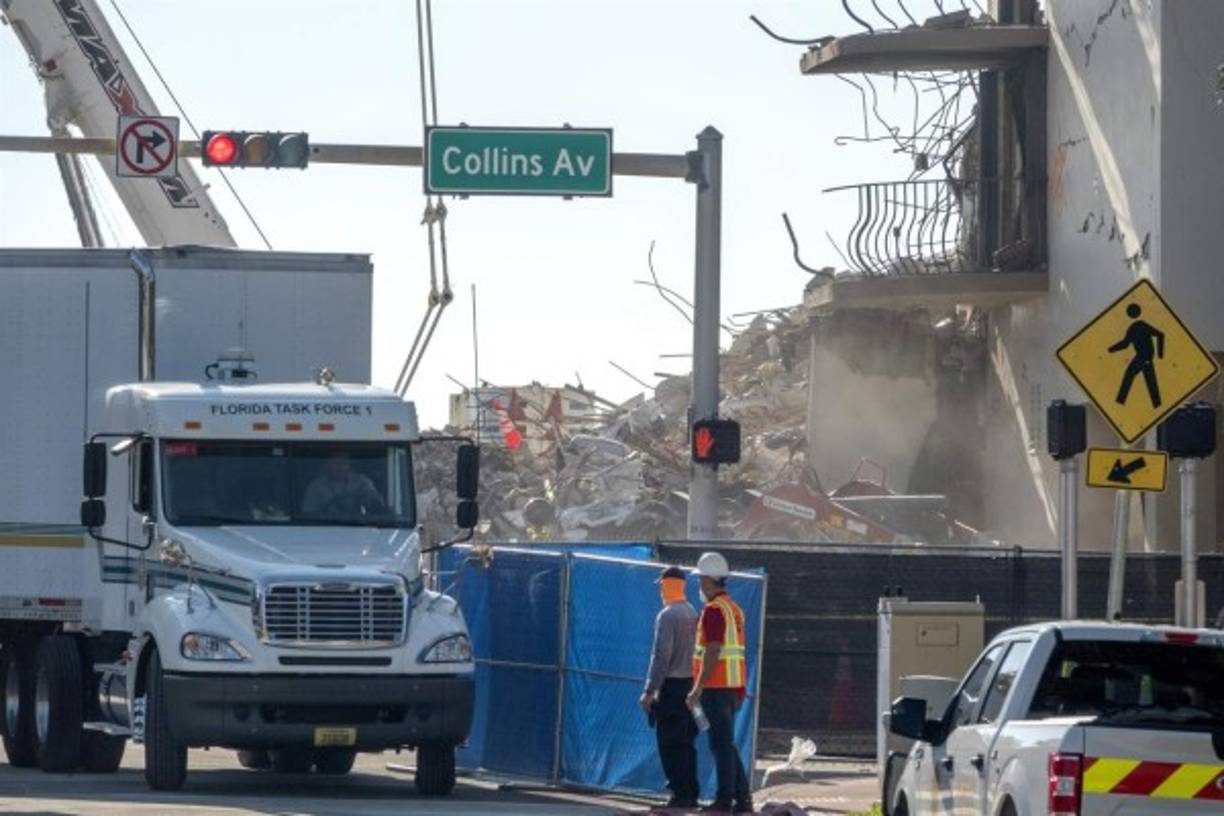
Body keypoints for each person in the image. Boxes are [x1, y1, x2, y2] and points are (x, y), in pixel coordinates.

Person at [687, 551, 752, 814]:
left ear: (709, 580)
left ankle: (726, 801)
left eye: (701, 578)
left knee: (721, 745)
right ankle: (742, 798)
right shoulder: (733, 608)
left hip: (716, 686)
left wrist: (698, 686)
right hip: (733, 687)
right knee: (725, 744)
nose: (699, 584)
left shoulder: (714, 610)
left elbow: (713, 649)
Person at [639, 565, 699, 809]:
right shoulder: (691, 612)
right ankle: (690, 792)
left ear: (666, 586)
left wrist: (649, 690)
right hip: (691, 685)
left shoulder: (667, 615)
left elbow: (661, 656)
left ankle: (679, 794)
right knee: (686, 742)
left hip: (672, 687)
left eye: (662, 586)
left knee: (670, 743)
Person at [301, 451, 384, 516]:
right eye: (335, 463)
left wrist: (369, 499)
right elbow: (309, 513)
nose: (339, 467)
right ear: (327, 465)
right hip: (324, 528)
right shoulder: (315, 487)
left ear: (349, 464)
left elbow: (376, 504)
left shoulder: (362, 482)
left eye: (343, 463)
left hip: (357, 527)